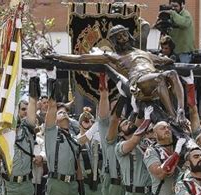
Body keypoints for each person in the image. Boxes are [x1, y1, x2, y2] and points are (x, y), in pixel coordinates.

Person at [50, 25, 185, 122]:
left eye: (124, 34)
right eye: (119, 37)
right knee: (160, 77)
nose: (123, 38)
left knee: (172, 73)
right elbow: (80, 59)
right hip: (139, 83)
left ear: (129, 35)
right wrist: (56, 55)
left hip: (154, 80)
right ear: (115, 41)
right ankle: (172, 116)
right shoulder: (114, 56)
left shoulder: (145, 53)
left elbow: (164, 61)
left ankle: (180, 110)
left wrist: (169, 60)